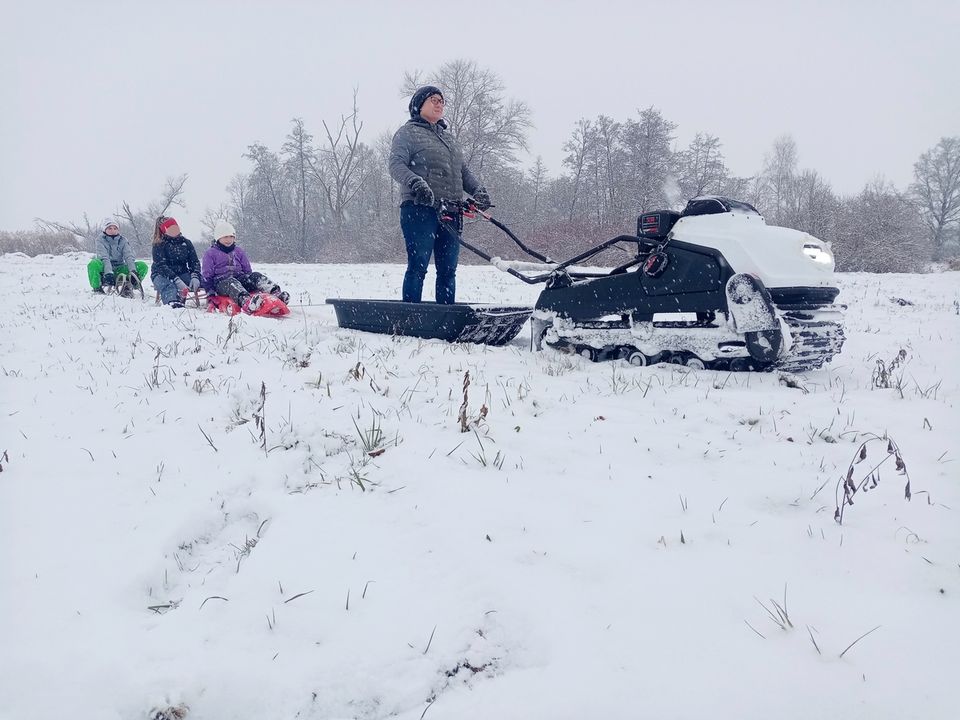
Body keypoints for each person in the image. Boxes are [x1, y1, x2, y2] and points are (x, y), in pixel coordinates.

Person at [389, 85, 491, 304]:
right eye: (433, 99)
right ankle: (411, 316)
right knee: (418, 266)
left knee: (448, 270)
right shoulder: (407, 133)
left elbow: (463, 172)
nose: (439, 103)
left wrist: (478, 191)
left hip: (451, 211)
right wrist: (416, 182)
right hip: (419, 209)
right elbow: (396, 165)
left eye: (441, 101)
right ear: (418, 105)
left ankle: (445, 315)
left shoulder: (450, 139)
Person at [201, 220, 290, 312]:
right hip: (221, 283)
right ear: (218, 238)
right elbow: (207, 276)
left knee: (255, 275)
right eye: (225, 237)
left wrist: (252, 282)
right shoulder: (210, 253)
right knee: (231, 282)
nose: (229, 240)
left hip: (240, 278)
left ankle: (276, 293)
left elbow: (247, 270)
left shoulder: (238, 251)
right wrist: (210, 294)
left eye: (231, 237)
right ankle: (246, 301)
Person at [150, 216, 201, 308]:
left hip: (182, 272)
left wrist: (195, 275)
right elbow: (161, 265)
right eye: (170, 228)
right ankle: (173, 303)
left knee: (204, 281)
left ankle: (215, 299)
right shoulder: (159, 244)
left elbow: (194, 261)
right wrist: (175, 279)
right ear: (164, 230)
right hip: (161, 274)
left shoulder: (186, 243)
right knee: (169, 286)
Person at [87, 220, 148, 295]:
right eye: (110, 228)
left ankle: (129, 286)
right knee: (93, 264)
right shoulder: (100, 240)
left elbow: (128, 256)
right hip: (104, 270)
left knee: (142, 266)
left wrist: (133, 271)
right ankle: (97, 289)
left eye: (115, 228)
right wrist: (108, 272)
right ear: (105, 230)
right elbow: (104, 257)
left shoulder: (123, 241)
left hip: (119, 269)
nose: (113, 230)